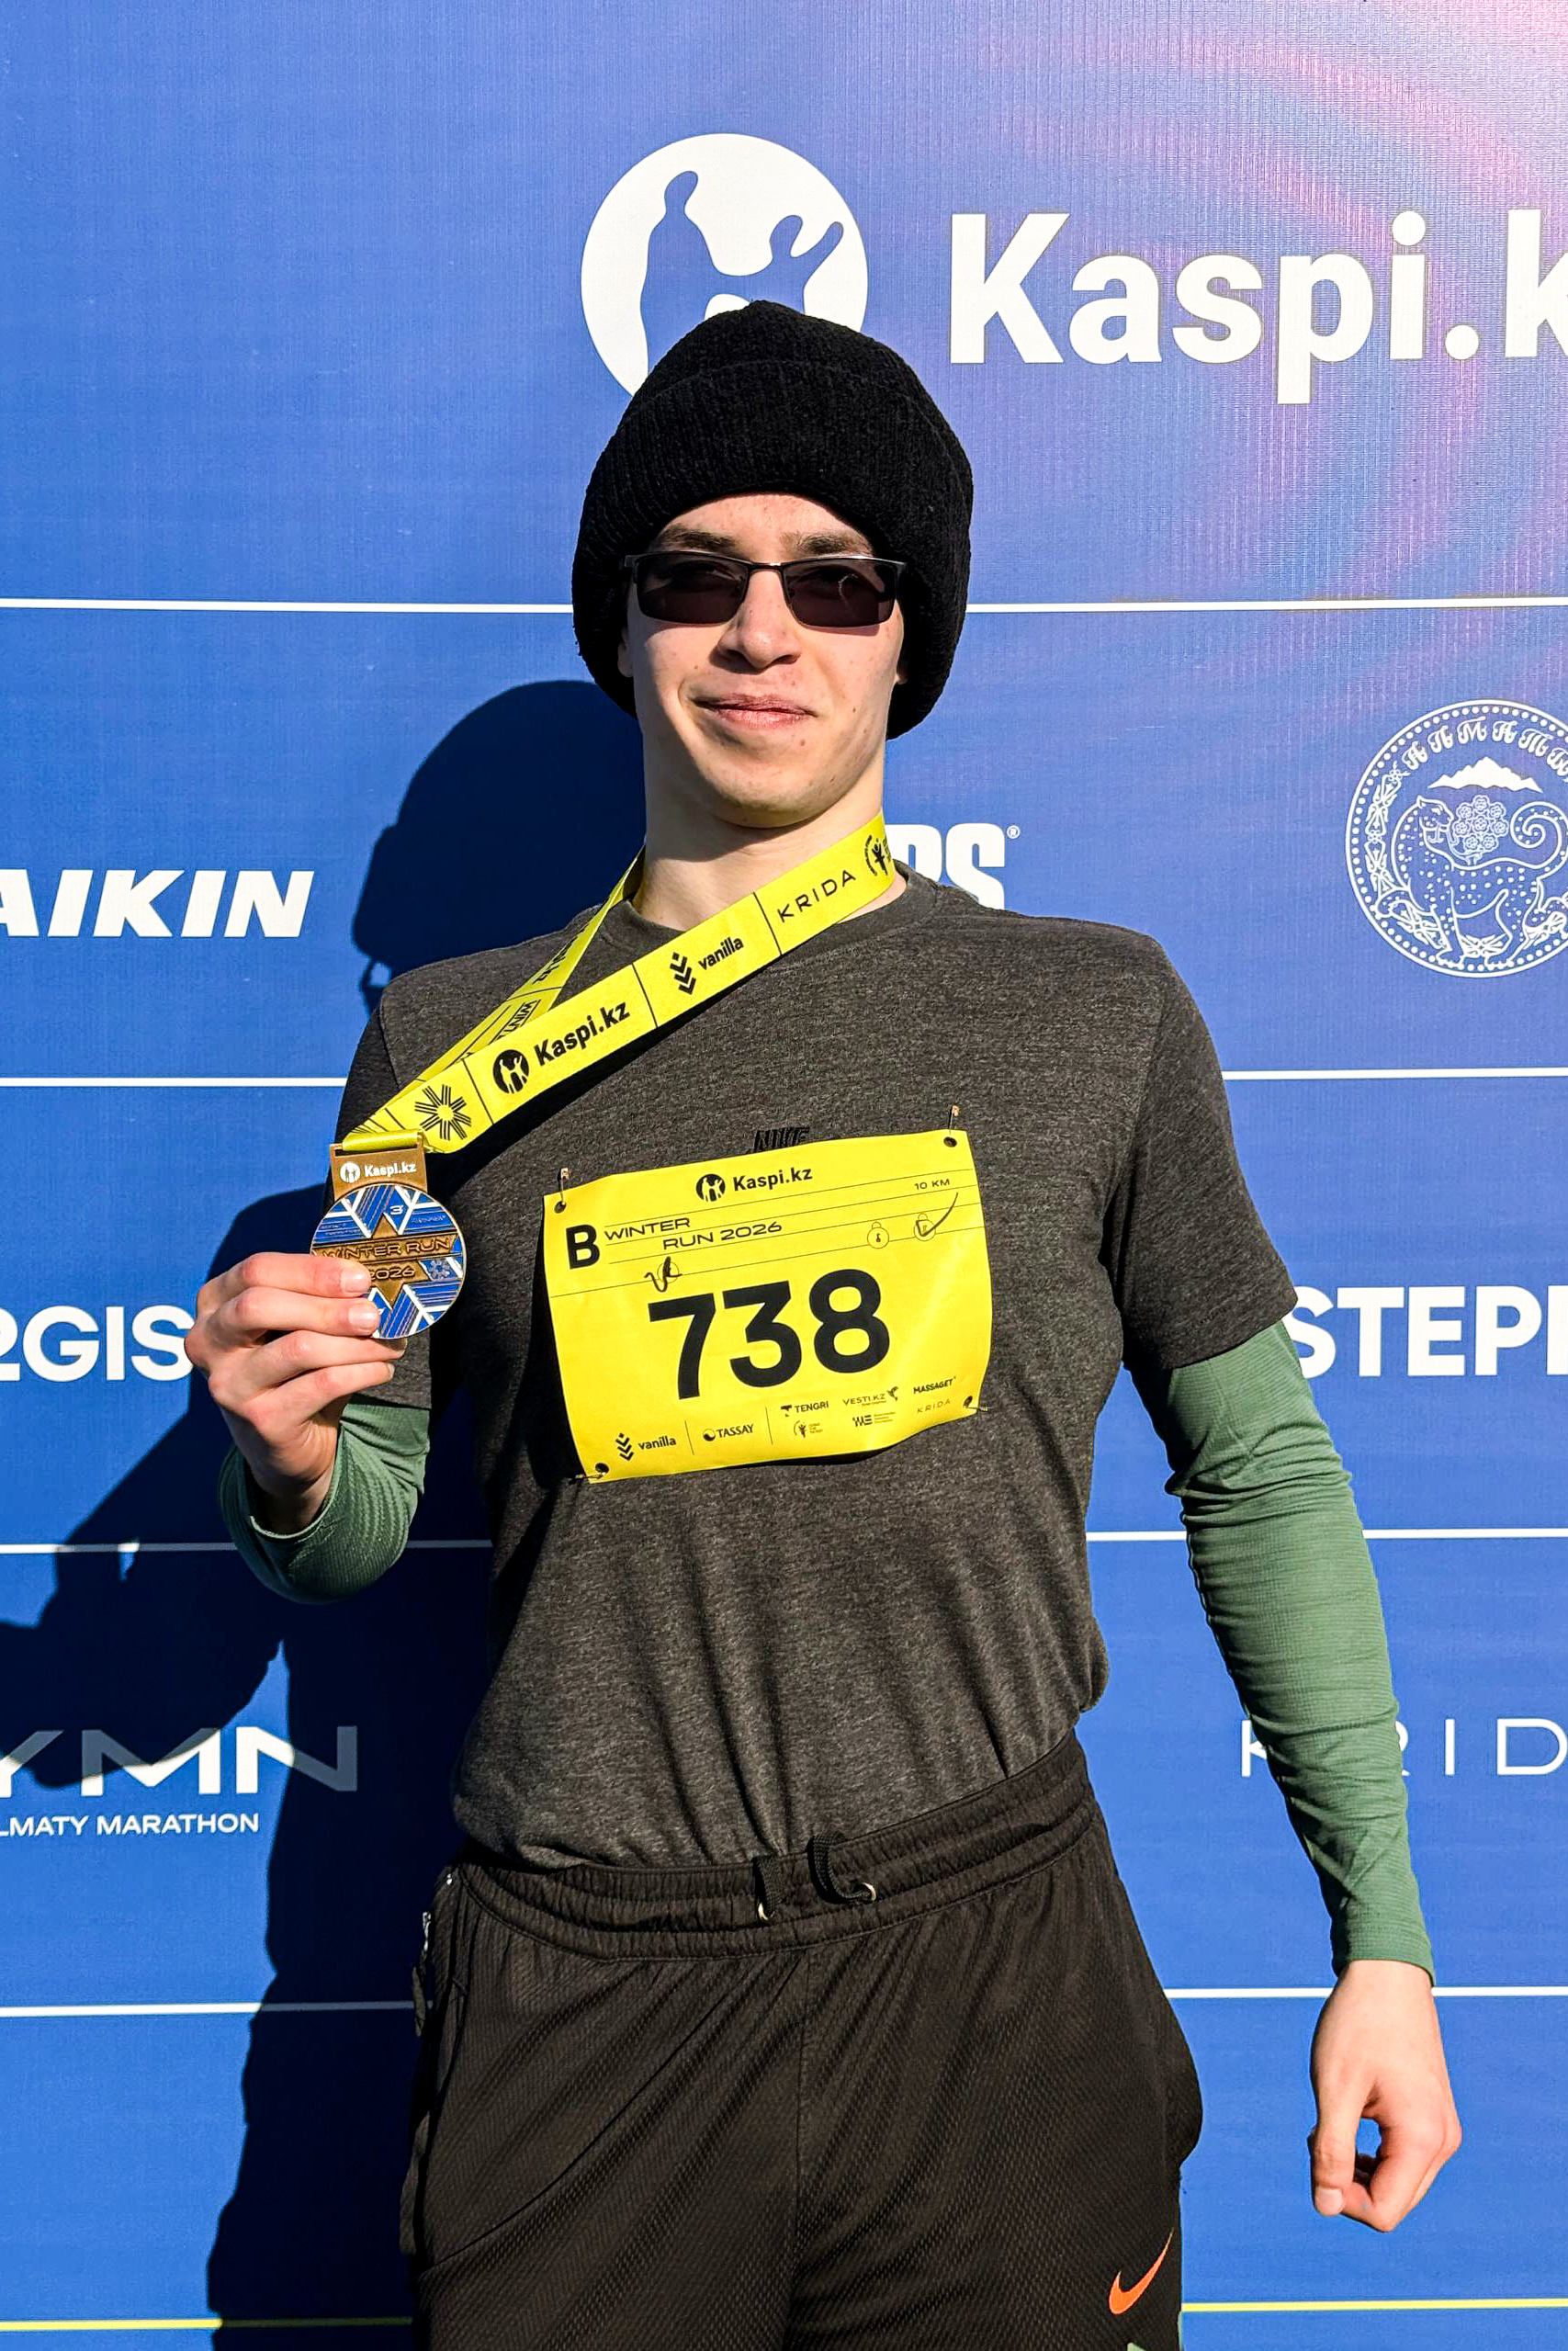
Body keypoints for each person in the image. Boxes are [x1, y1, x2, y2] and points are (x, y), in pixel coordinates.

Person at [186, 300, 1461, 2350]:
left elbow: (1259, 1467)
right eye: (694, 574)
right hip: (589, 1999)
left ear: (905, 636)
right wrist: (290, 1464)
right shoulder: (437, 1054)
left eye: (835, 579)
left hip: (994, 1982)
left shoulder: (1091, 1012)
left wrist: (1379, 1939)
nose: (760, 630)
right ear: (623, 628)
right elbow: (359, 1527)